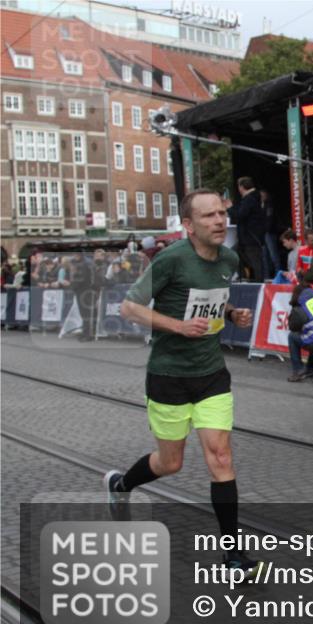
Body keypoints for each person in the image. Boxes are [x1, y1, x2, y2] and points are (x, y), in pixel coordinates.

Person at [105, 188, 261, 576]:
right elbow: (130, 307)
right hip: (168, 376)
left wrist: (232, 312)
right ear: (188, 226)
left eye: (222, 214)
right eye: (208, 216)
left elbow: (209, 299)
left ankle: (232, 555)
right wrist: (177, 326)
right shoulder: (172, 258)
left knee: (221, 458)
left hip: (211, 374)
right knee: (170, 463)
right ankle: (122, 484)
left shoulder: (229, 258)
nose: (220, 221)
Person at [226, 176, 267, 282]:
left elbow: (240, 215)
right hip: (247, 237)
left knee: (255, 260)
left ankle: (258, 283)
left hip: (251, 237)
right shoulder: (252, 198)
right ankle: (245, 275)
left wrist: (229, 208)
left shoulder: (250, 199)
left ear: (241, 187)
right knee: (233, 254)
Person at [260, 189, 281, 280]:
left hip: (269, 233)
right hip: (263, 233)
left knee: (273, 255)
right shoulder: (261, 205)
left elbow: (270, 219)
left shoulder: (269, 205)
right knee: (264, 255)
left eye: (263, 194)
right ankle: (266, 276)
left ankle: (277, 275)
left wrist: (266, 230)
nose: (261, 196)